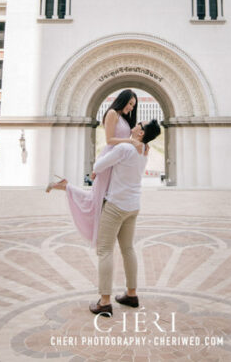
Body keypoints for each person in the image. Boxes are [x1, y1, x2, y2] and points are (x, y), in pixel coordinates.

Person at [46, 89, 137, 247]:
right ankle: (65, 187)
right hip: (109, 159)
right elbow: (109, 140)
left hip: (116, 160)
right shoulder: (112, 114)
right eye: (130, 104)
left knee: (104, 196)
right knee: (96, 198)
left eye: (133, 106)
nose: (131, 108)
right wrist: (130, 142)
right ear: (123, 100)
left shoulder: (122, 117)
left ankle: (66, 186)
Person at [89, 119, 161, 316]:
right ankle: (131, 294)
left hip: (115, 205)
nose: (136, 123)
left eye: (139, 124)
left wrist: (124, 143)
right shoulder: (145, 150)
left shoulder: (125, 149)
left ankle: (104, 301)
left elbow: (98, 164)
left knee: (104, 250)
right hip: (133, 206)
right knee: (128, 249)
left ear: (140, 132)